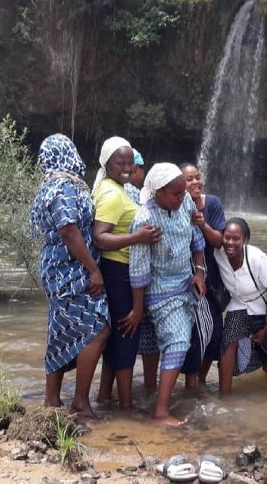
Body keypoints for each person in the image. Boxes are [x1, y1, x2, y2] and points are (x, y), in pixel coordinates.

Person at [29, 134, 110, 420]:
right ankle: (80, 403)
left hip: (58, 266)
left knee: (60, 328)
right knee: (98, 328)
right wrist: (93, 269)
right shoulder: (63, 188)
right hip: (70, 266)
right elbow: (69, 231)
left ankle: (51, 400)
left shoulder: (50, 185)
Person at [129, 163, 207, 425]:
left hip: (186, 283)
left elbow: (196, 239)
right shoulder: (145, 219)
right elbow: (138, 268)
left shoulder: (185, 204)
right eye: (175, 193)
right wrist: (138, 309)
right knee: (178, 341)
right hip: (159, 289)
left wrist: (199, 272)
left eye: (182, 192)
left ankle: (152, 395)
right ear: (158, 192)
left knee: (162, 344)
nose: (182, 197)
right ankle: (161, 412)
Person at [92, 136, 161, 409]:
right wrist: (138, 238)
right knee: (126, 336)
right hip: (118, 271)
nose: (126, 167)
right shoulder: (112, 194)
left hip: (120, 271)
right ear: (106, 163)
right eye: (120, 162)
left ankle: (105, 397)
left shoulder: (114, 188)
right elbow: (100, 237)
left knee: (119, 337)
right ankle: (126, 407)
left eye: (130, 162)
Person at [215, 217, 267, 393]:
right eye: (227, 237)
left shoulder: (257, 258)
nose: (230, 243)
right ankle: (224, 394)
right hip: (238, 305)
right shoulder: (218, 253)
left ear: (244, 240)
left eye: (236, 239)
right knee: (228, 342)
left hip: (262, 307)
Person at [178, 162, 227, 389]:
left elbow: (219, 241)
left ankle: (201, 379)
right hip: (184, 279)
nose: (195, 182)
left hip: (211, 279)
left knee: (215, 333)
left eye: (197, 177)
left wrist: (202, 223)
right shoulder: (175, 204)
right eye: (189, 179)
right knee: (193, 336)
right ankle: (190, 385)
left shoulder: (212, 204)